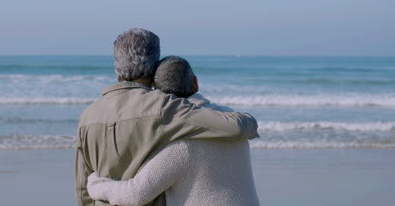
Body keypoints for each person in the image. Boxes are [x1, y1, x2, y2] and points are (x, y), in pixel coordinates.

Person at [75, 29, 259, 206]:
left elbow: (82, 185)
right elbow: (234, 127)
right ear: (154, 71)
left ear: (116, 63)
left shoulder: (88, 116)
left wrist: (95, 186)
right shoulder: (164, 107)